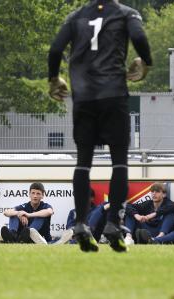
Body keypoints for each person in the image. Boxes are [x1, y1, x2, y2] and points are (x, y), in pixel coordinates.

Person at [48, 0, 152, 252]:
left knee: (83, 163)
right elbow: (138, 36)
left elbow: (55, 50)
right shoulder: (127, 13)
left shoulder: (75, 16)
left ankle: (82, 224)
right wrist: (146, 61)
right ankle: (113, 223)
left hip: (83, 98)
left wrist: (54, 77)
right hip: (113, 95)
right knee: (119, 162)